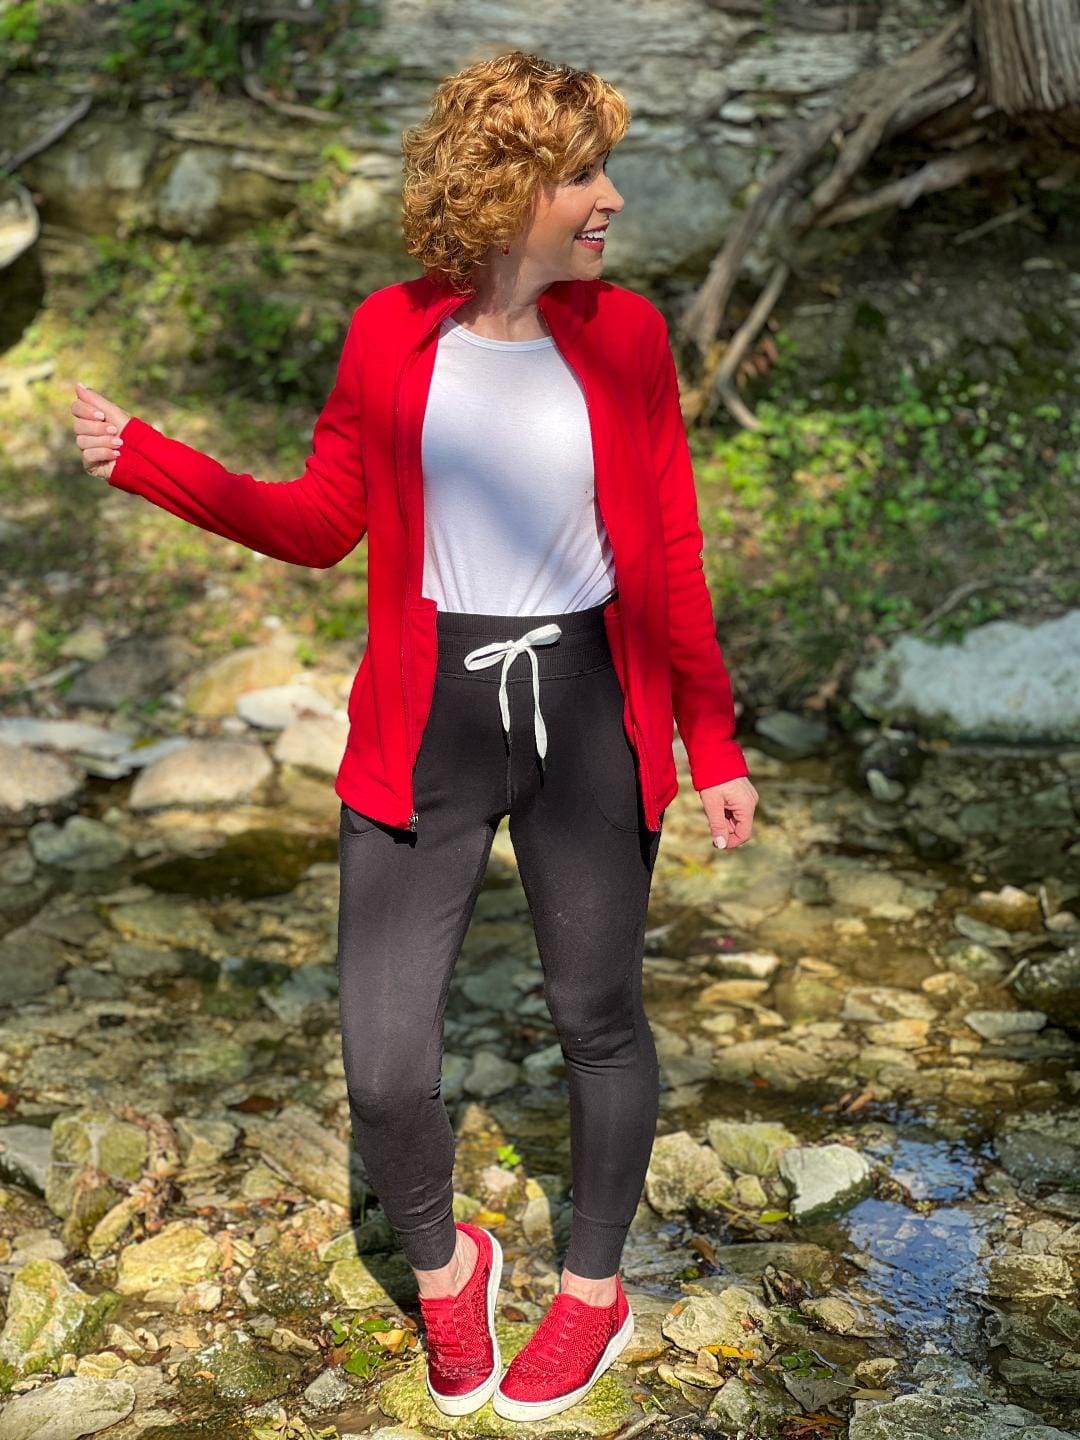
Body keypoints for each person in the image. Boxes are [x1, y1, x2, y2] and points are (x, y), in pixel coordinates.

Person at [71, 48, 758, 1424]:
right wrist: (148, 457)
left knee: (596, 1020)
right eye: (581, 174)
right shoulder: (392, 330)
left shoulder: (625, 337)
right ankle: (450, 1272)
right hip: (423, 719)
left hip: (584, 709)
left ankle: (592, 1293)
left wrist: (712, 741)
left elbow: (670, 551)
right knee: (385, 1069)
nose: (611, 197)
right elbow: (323, 523)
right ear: (507, 189)